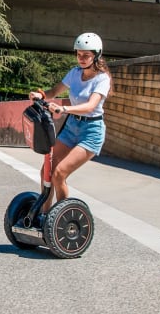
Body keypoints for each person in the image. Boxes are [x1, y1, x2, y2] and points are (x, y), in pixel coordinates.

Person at [28, 32, 111, 208]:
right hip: (72, 126)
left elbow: (90, 106)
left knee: (59, 173)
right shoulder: (74, 73)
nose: (81, 58)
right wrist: (41, 94)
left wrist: (64, 108)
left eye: (86, 55)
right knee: (47, 170)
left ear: (96, 55)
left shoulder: (102, 79)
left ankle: (62, 218)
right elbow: (54, 92)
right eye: (78, 54)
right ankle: (44, 213)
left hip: (91, 131)